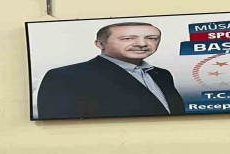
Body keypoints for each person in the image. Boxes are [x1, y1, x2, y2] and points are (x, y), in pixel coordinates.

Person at [36, 22, 184, 119]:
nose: (142, 44)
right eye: (127, 38)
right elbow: (59, 123)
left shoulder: (162, 74)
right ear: (100, 44)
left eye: (152, 38)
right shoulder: (66, 76)